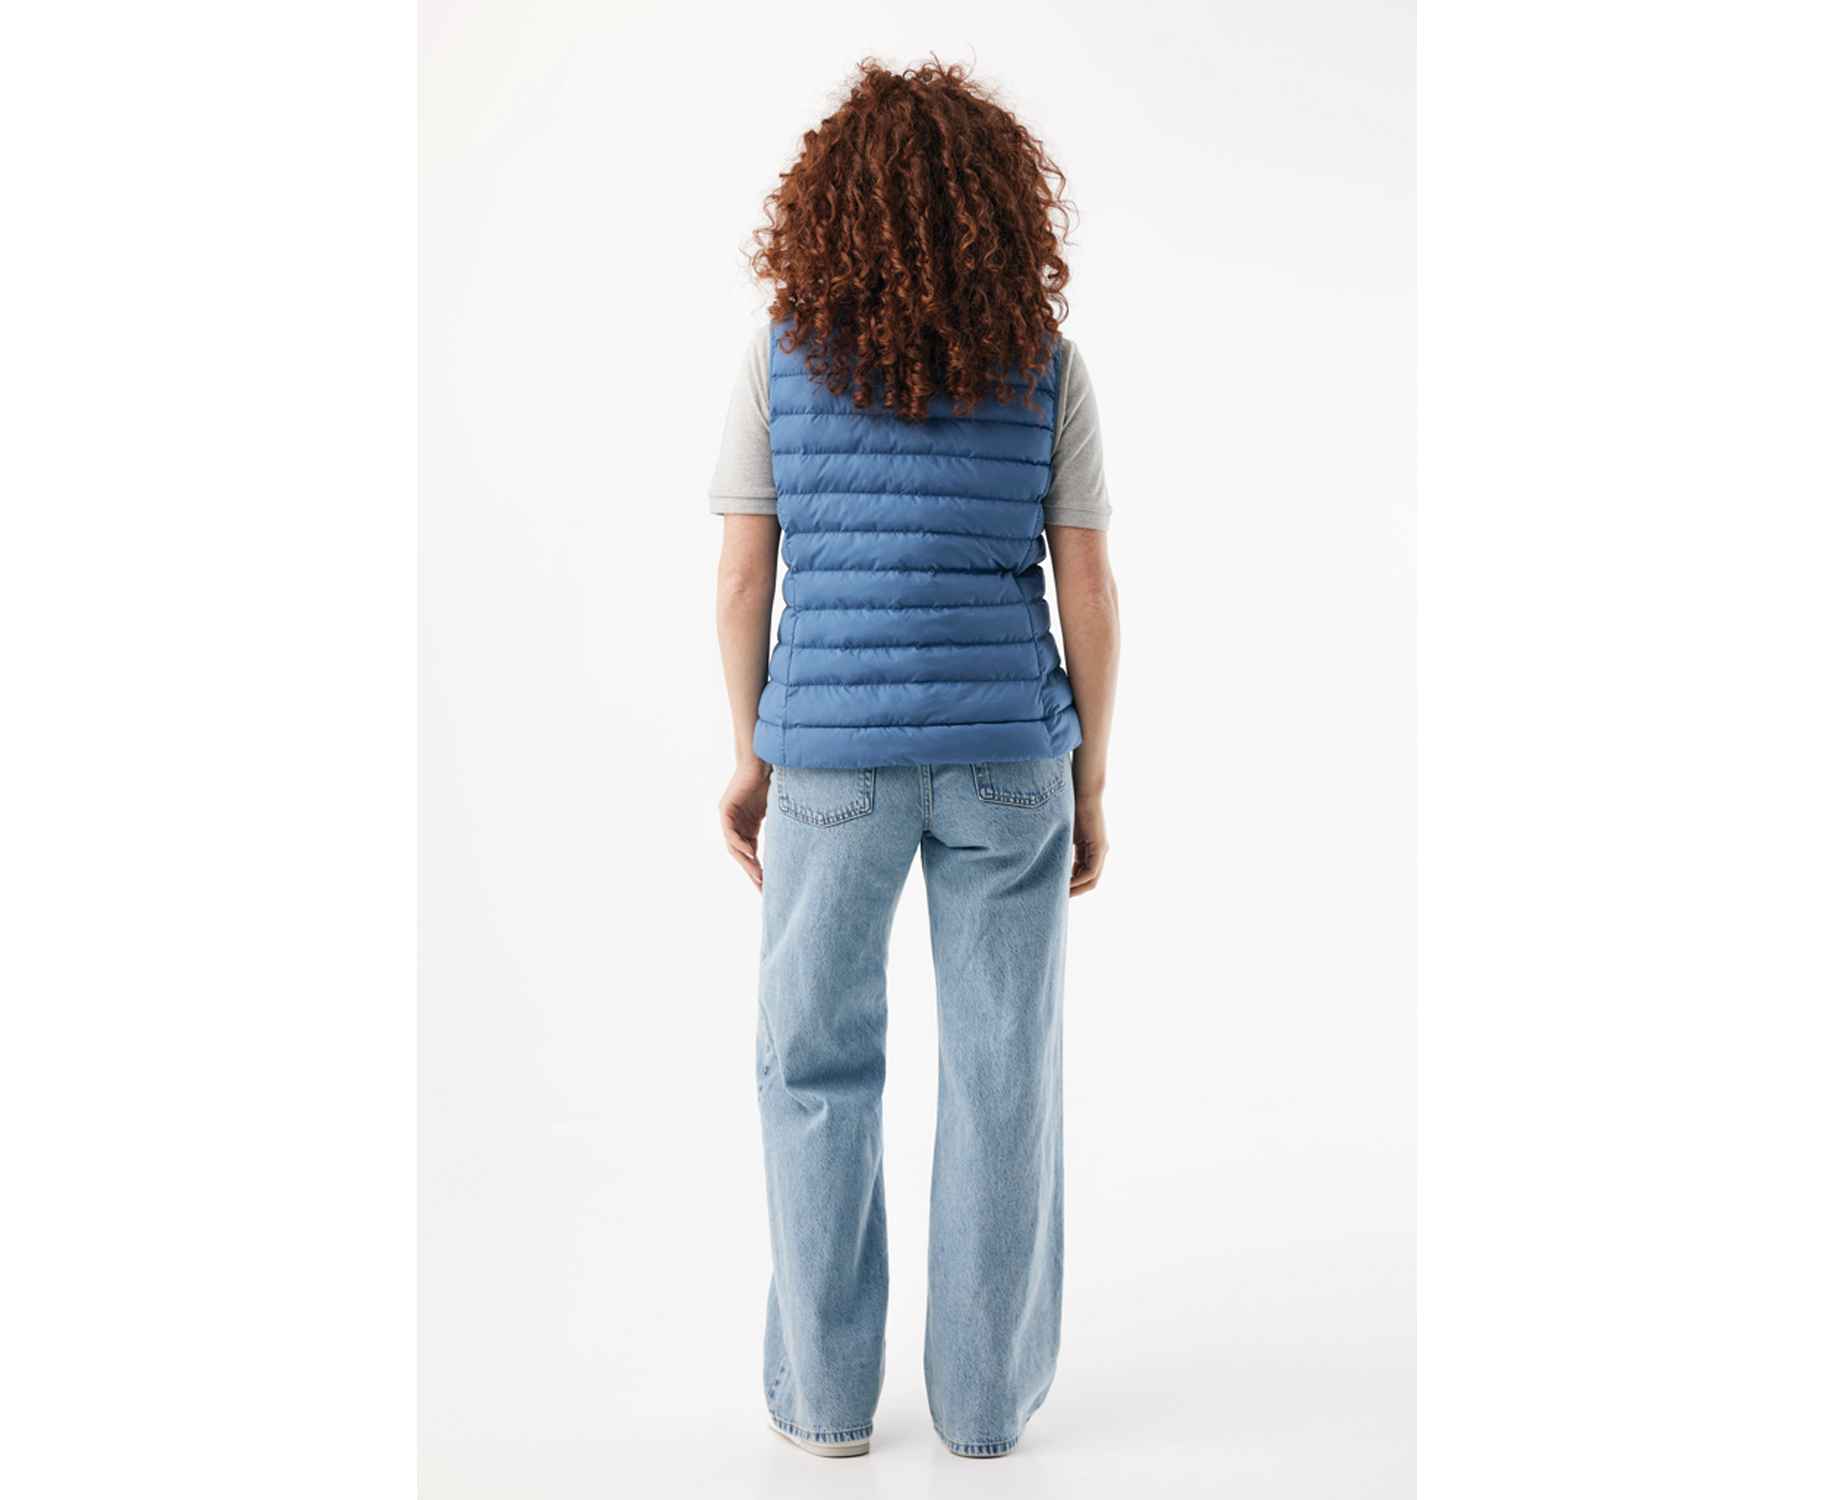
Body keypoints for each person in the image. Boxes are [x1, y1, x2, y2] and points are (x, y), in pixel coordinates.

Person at [709, 59, 1121, 1461]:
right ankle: (984, 1408)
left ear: (826, 208)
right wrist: (1091, 780)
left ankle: (827, 1407)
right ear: (1005, 211)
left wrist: (751, 751)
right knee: (1003, 1072)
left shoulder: (778, 361)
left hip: (827, 759)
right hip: (1008, 758)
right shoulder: (1046, 367)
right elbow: (1088, 588)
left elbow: (741, 579)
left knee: (813, 1063)